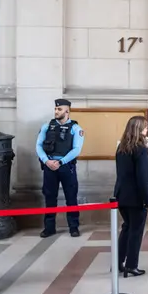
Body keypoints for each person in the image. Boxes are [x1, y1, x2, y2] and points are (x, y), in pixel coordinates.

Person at [113, 116, 148, 278]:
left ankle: (118, 262)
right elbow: (142, 178)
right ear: (139, 130)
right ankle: (131, 265)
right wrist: (147, 199)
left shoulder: (121, 148)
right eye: (145, 128)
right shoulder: (140, 149)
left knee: (127, 228)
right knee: (136, 232)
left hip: (122, 195)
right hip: (136, 198)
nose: (147, 131)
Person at [36, 98, 84, 238]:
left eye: (59, 109)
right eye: (56, 109)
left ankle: (73, 227)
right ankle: (49, 228)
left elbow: (76, 149)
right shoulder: (47, 126)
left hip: (66, 167)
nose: (56, 111)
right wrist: (46, 161)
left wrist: (61, 162)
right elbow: (38, 145)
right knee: (50, 197)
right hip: (49, 166)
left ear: (67, 111)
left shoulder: (76, 128)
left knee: (71, 197)